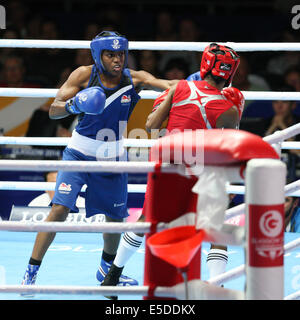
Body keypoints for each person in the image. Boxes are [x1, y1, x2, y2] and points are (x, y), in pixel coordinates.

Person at [21, 31, 176, 288]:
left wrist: (199, 85)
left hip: (113, 155)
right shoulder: (84, 74)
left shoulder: (133, 78)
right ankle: (31, 271)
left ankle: (107, 270)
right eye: (110, 54)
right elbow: (53, 110)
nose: (117, 59)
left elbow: (167, 85)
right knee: (59, 209)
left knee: (115, 217)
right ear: (98, 55)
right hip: (79, 152)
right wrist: (74, 105)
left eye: (121, 54)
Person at [102, 43, 244, 293]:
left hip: (168, 166)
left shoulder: (179, 87)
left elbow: (151, 125)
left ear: (205, 64)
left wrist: (166, 108)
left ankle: (113, 275)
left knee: (147, 219)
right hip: (202, 171)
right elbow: (227, 147)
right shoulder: (228, 108)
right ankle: (214, 287)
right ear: (230, 73)